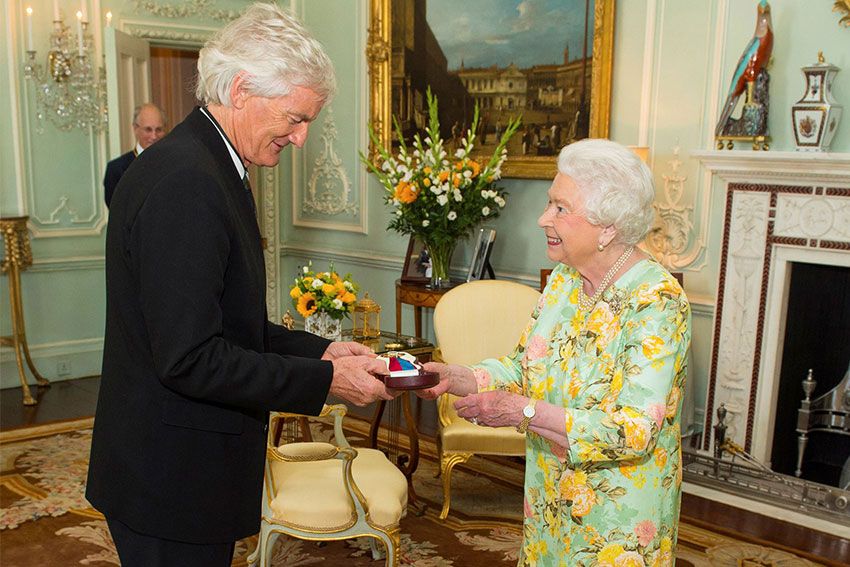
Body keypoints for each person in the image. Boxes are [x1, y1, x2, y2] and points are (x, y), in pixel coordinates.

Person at [86, 5, 393, 566]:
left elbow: (228, 324)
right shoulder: (187, 182)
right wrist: (326, 379)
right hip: (170, 479)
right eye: (296, 117)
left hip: (177, 469)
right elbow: (191, 358)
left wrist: (321, 349)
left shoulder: (206, 165)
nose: (301, 139)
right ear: (244, 89)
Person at [419, 138, 691, 566]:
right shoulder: (565, 279)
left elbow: (635, 430)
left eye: (561, 208)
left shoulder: (655, 300)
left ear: (608, 227)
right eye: (550, 203)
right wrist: (459, 376)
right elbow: (525, 366)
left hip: (616, 517)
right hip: (549, 496)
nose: (543, 218)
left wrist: (523, 412)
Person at [103, 102, 166, 207]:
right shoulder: (117, 169)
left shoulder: (173, 163)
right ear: (135, 129)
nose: (154, 136)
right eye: (148, 129)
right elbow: (116, 212)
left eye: (158, 130)